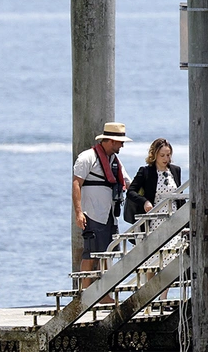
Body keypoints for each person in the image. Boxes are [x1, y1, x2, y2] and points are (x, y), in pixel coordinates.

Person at [72, 122, 132, 292]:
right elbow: (76, 183)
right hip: (92, 213)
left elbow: (128, 182)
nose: (122, 146)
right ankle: (84, 291)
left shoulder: (115, 161)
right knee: (90, 253)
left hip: (110, 215)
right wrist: (78, 213)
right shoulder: (87, 157)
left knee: (108, 254)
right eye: (120, 142)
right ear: (111, 141)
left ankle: (103, 292)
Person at [126, 138, 183, 280]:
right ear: (155, 155)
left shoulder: (175, 170)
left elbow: (180, 195)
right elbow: (131, 191)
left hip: (173, 219)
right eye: (162, 155)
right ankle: (149, 293)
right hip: (154, 221)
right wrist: (144, 201)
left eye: (168, 155)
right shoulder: (146, 171)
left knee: (170, 260)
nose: (166, 159)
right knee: (152, 260)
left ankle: (163, 298)